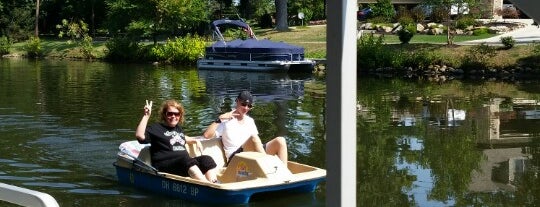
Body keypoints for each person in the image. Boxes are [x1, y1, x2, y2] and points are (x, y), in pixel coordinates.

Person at [135, 99, 218, 183]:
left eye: (177, 114)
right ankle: (208, 186)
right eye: (170, 114)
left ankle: (214, 183)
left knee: (207, 159)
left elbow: (180, 137)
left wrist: (195, 141)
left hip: (182, 164)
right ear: (164, 115)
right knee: (187, 160)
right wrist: (146, 116)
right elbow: (140, 136)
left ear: (180, 115)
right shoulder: (156, 128)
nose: (173, 116)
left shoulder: (178, 129)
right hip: (165, 165)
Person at [203, 91, 288, 166]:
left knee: (280, 141)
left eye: (249, 106)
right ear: (237, 102)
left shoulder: (250, 120)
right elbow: (207, 135)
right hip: (235, 159)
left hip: (251, 153)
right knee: (253, 138)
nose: (246, 108)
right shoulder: (225, 120)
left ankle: (285, 174)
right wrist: (219, 119)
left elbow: (257, 144)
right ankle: (268, 168)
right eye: (243, 104)